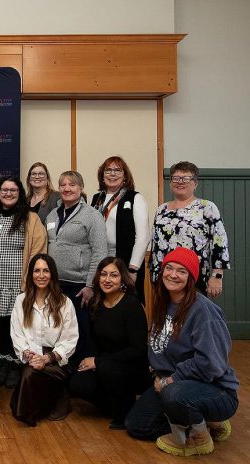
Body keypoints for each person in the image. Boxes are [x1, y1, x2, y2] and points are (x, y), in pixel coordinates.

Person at [126, 247, 239, 457]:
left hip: (214, 388)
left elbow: (211, 364)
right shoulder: (164, 302)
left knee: (173, 395)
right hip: (175, 383)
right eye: (169, 268)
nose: (173, 274)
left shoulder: (204, 311)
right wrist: (159, 376)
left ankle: (200, 437)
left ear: (191, 278)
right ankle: (203, 420)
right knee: (136, 424)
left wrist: (170, 380)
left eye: (182, 271)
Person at [68, 257, 149, 429]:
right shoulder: (95, 303)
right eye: (103, 274)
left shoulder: (132, 305)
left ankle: (125, 413)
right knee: (77, 384)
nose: (107, 279)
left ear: (122, 280)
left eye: (114, 275)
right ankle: (117, 407)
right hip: (105, 364)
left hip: (131, 366)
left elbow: (138, 350)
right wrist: (91, 361)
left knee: (108, 369)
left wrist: (98, 362)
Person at [0, 177, 47, 387]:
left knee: (16, 326)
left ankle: (14, 365)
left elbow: (38, 250)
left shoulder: (30, 218)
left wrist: (32, 281)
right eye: (4, 190)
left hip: (17, 285)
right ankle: (0, 363)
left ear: (19, 193)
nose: (8, 193)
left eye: (13, 190)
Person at [45, 170, 107, 367]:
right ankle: (61, 368)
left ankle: (82, 371)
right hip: (55, 285)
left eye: (72, 185)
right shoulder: (53, 214)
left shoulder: (92, 215)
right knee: (58, 329)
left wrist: (90, 285)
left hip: (80, 287)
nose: (67, 188)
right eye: (63, 185)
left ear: (80, 188)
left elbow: (100, 252)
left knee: (80, 331)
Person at [9, 254, 78, 427]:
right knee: (30, 371)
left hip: (56, 360)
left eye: (46, 271)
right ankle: (53, 400)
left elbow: (70, 339)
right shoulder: (21, 300)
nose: (41, 275)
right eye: (37, 270)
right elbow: (17, 334)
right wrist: (27, 353)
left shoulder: (65, 303)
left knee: (29, 375)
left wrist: (47, 358)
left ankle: (57, 397)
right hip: (32, 356)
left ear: (52, 274)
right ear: (30, 274)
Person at [150, 161, 230, 298]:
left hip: (194, 277)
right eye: (176, 178)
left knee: (192, 315)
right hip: (165, 278)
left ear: (195, 183)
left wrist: (217, 276)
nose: (180, 182)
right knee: (166, 316)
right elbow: (155, 245)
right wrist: (154, 276)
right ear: (170, 183)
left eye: (186, 178)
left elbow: (220, 243)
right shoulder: (161, 210)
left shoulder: (206, 207)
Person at [90, 156, 149, 301]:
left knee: (125, 305)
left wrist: (133, 269)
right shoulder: (96, 199)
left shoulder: (135, 198)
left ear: (125, 176)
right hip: (101, 261)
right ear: (102, 176)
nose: (112, 173)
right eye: (108, 170)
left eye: (117, 170)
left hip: (126, 263)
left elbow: (143, 237)